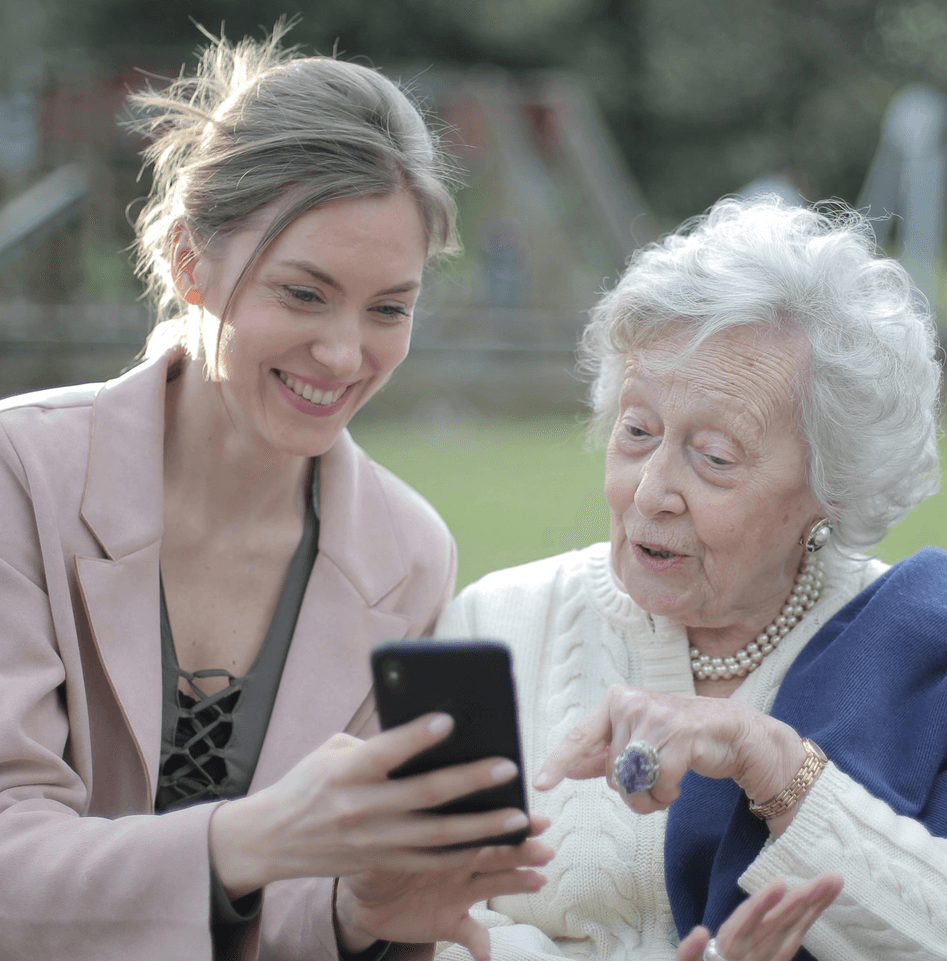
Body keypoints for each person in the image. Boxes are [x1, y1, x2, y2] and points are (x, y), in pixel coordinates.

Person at [0, 22, 552, 961]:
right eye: (303, 293)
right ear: (189, 261)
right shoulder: (21, 474)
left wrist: (356, 916)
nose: (344, 355)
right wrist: (248, 838)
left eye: (389, 308)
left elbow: (288, 911)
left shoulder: (408, 554)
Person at [433, 197, 947, 961]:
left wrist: (774, 764)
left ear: (832, 488)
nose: (650, 492)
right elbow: (424, 921)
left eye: (714, 456)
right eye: (637, 430)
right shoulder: (498, 625)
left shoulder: (945, 654)